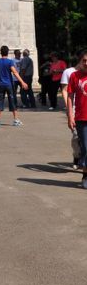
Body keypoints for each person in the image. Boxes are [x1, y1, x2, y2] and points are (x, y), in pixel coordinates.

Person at [0, 45, 28, 127]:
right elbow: (15, 72)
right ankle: (16, 120)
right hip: (9, 85)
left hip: (0, 85)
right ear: (7, 52)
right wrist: (22, 82)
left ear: (0, 53)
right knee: (12, 102)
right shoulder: (10, 62)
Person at [66, 50, 87, 189]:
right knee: (85, 147)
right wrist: (70, 116)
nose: (86, 63)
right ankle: (85, 175)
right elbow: (69, 96)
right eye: (84, 60)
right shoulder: (75, 76)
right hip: (81, 118)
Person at [61, 58, 80, 168]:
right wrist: (69, 109)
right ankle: (77, 155)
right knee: (76, 136)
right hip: (74, 108)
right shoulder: (69, 72)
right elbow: (64, 90)